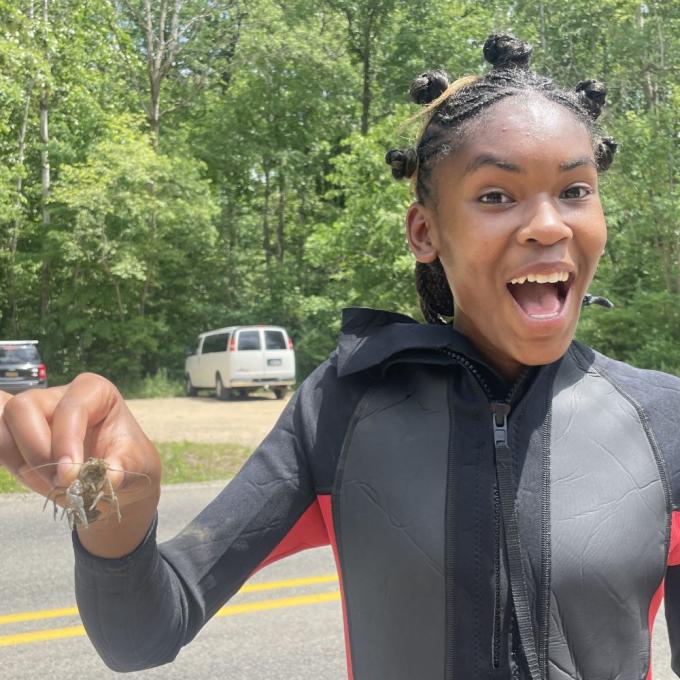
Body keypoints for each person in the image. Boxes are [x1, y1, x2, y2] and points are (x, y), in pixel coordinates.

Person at [0, 33, 679, 680]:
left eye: (575, 190)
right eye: (496, 195)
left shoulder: (665, 424)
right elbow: (144, 632)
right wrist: (115, 511)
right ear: (425, 231)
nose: (549, 225)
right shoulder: (342, 410)